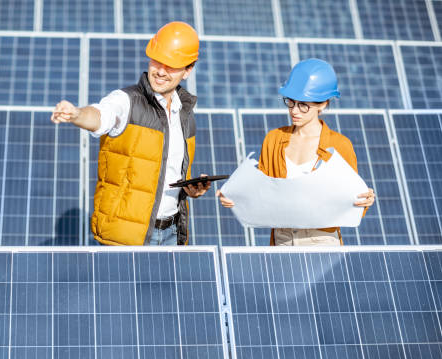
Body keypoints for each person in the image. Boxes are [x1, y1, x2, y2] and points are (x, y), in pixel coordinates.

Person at [51, 21, 210, 246]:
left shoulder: (185, 115)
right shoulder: (126, 101)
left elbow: (169, 175)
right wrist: (76, 114)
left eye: (172, 65)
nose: (161, 71)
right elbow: (100, 116)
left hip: (173, 234)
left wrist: (191, 189)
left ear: (188, 70)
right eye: (157, 60)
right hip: (126, 240)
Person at [217, 58, 375, 246]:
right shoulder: (273, 139)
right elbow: (261, 190)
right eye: (290, 102)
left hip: (322, 239)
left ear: (323, 104)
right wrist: (236, 196)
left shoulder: (340, 145)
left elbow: (351, 199)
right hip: (282, 237)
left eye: (303, 105)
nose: (294, 111)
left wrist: (364, 199)